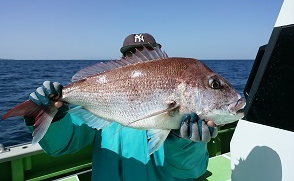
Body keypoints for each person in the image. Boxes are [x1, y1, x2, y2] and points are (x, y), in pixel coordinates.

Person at [25, 33, 218, 181]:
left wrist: (186, 143)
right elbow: (61, 145)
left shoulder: (186, 118)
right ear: (121, 64)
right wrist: (55, 118)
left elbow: (190, 171)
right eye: (132, 56)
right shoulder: (102, 106)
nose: (142, 60)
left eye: (149, 55)